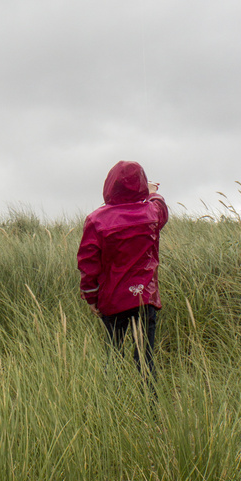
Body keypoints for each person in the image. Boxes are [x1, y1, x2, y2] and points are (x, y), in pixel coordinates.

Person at [77, 160, 168, 375]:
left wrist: (91, 297)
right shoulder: (152, 213)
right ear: (142, 185)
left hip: (112, 299)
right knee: (145, 360)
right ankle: (150, 407)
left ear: (110, 184)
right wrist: (153, 193)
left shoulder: (96, 220)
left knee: (113, 356)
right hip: (144, 297)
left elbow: (87, 263)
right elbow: (161, 208)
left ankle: (112, 405)